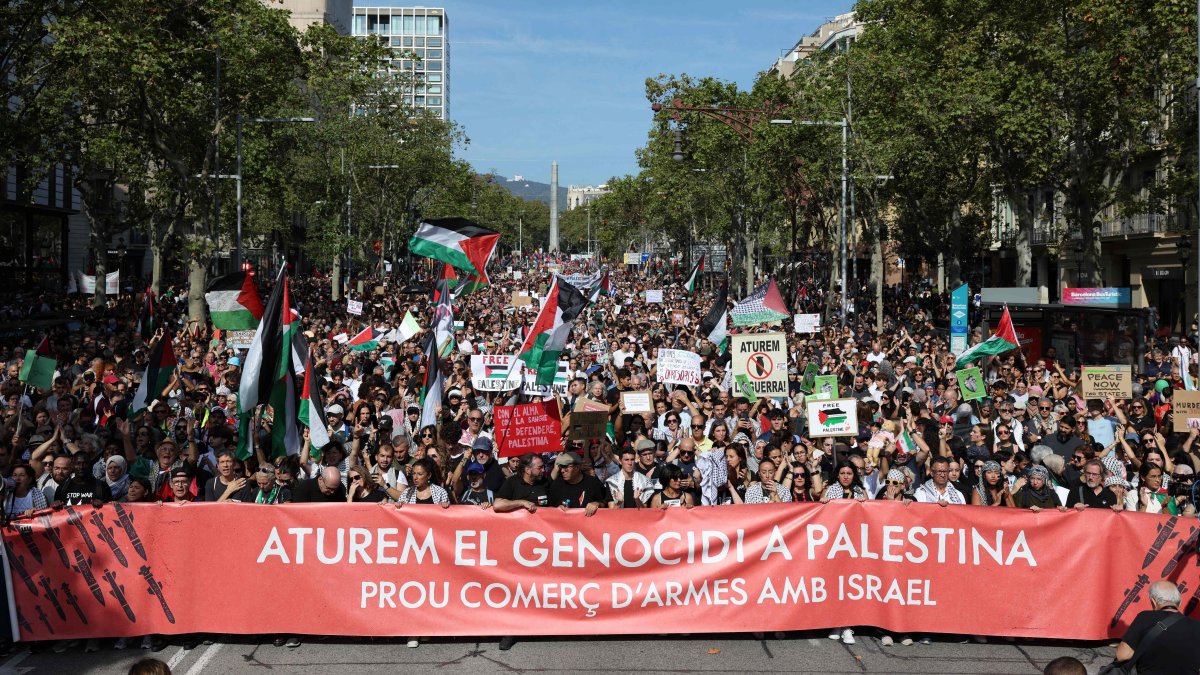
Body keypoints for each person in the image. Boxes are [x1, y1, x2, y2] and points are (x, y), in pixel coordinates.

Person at [1112, 580, 1200, 674]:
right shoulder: (1197, 626)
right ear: (1180, 602)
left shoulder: (1145, 617)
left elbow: (1122, 655)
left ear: (1153, 601)